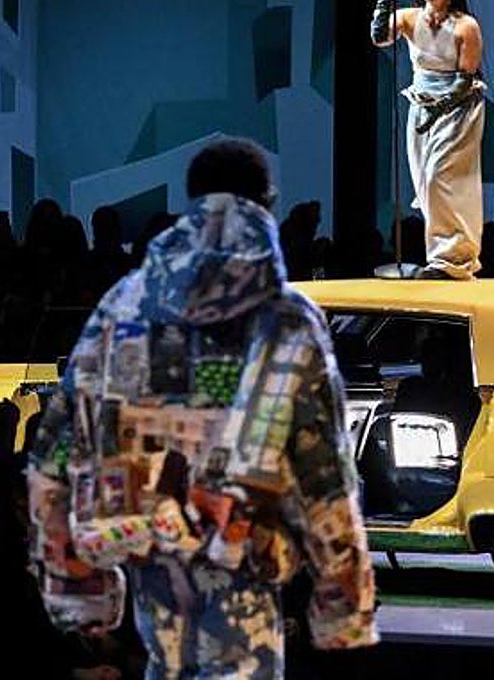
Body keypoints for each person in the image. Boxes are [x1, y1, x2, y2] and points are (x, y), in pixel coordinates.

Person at [27, 138, 378, 678]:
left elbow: (59, 445)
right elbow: (324, 468)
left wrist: (76, 588)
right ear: (268, 202)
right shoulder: (286, 317)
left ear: (191, 199)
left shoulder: (122, 305)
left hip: (145, 546)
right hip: (245, 555)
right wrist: (344, 605)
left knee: (165, 664)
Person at [371, 0, 487, 279]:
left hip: (458, 109)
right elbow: (379, 36)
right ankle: (442, 258)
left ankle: (453, 260)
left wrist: (439, 109)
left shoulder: (466, 26)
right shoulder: (410, 17)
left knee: (440, 177)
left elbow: (465, 80)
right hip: (421, 104)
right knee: (425, 182)